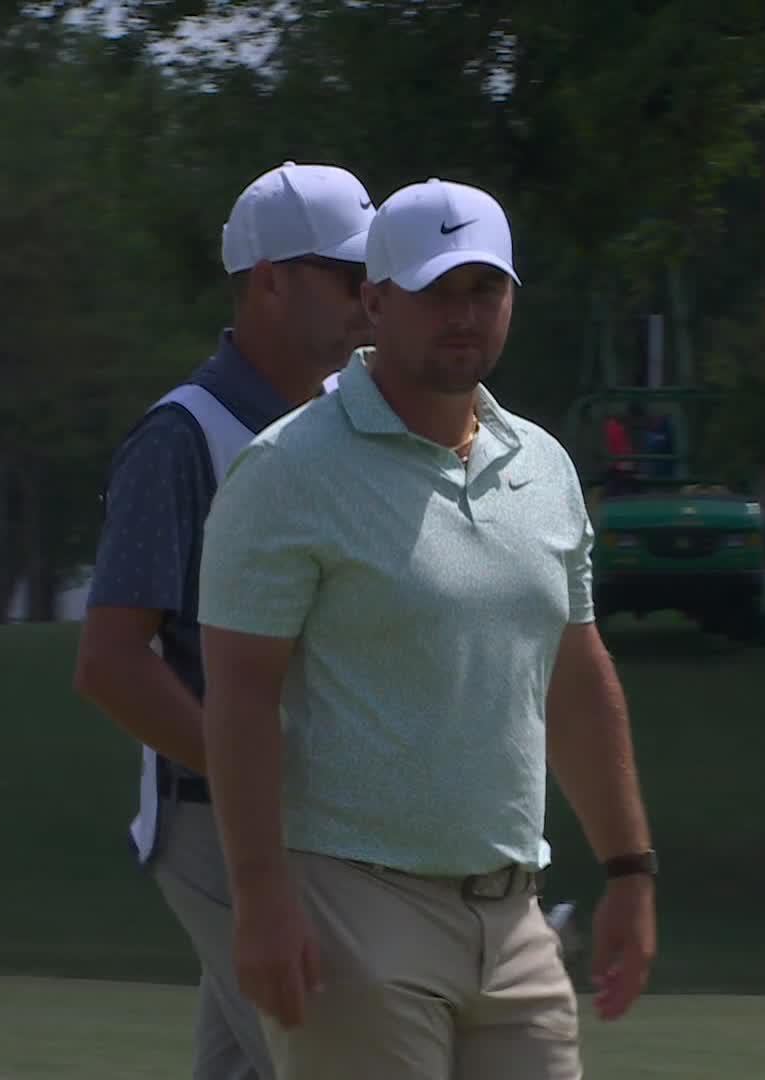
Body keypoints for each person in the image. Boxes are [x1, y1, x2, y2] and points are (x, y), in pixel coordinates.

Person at [196, 177, 657, 1079]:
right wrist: (261, 900)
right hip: (349, 908)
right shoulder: (286, 469)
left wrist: (631, 871)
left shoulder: (546, 468)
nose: (464, 315)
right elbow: (241, 695)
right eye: (436, 291)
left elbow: (577, 675)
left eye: (484, 291)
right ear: (374, 301)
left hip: (515, 916)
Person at [73, 161, 377, 1080]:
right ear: (270, 279)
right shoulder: (182, 437)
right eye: (347, 276)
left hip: (327, 820)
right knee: (335, 1059)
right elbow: (112, 662)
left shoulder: (347, 420)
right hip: (216, 821)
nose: (373, 297)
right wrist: (255, 772)